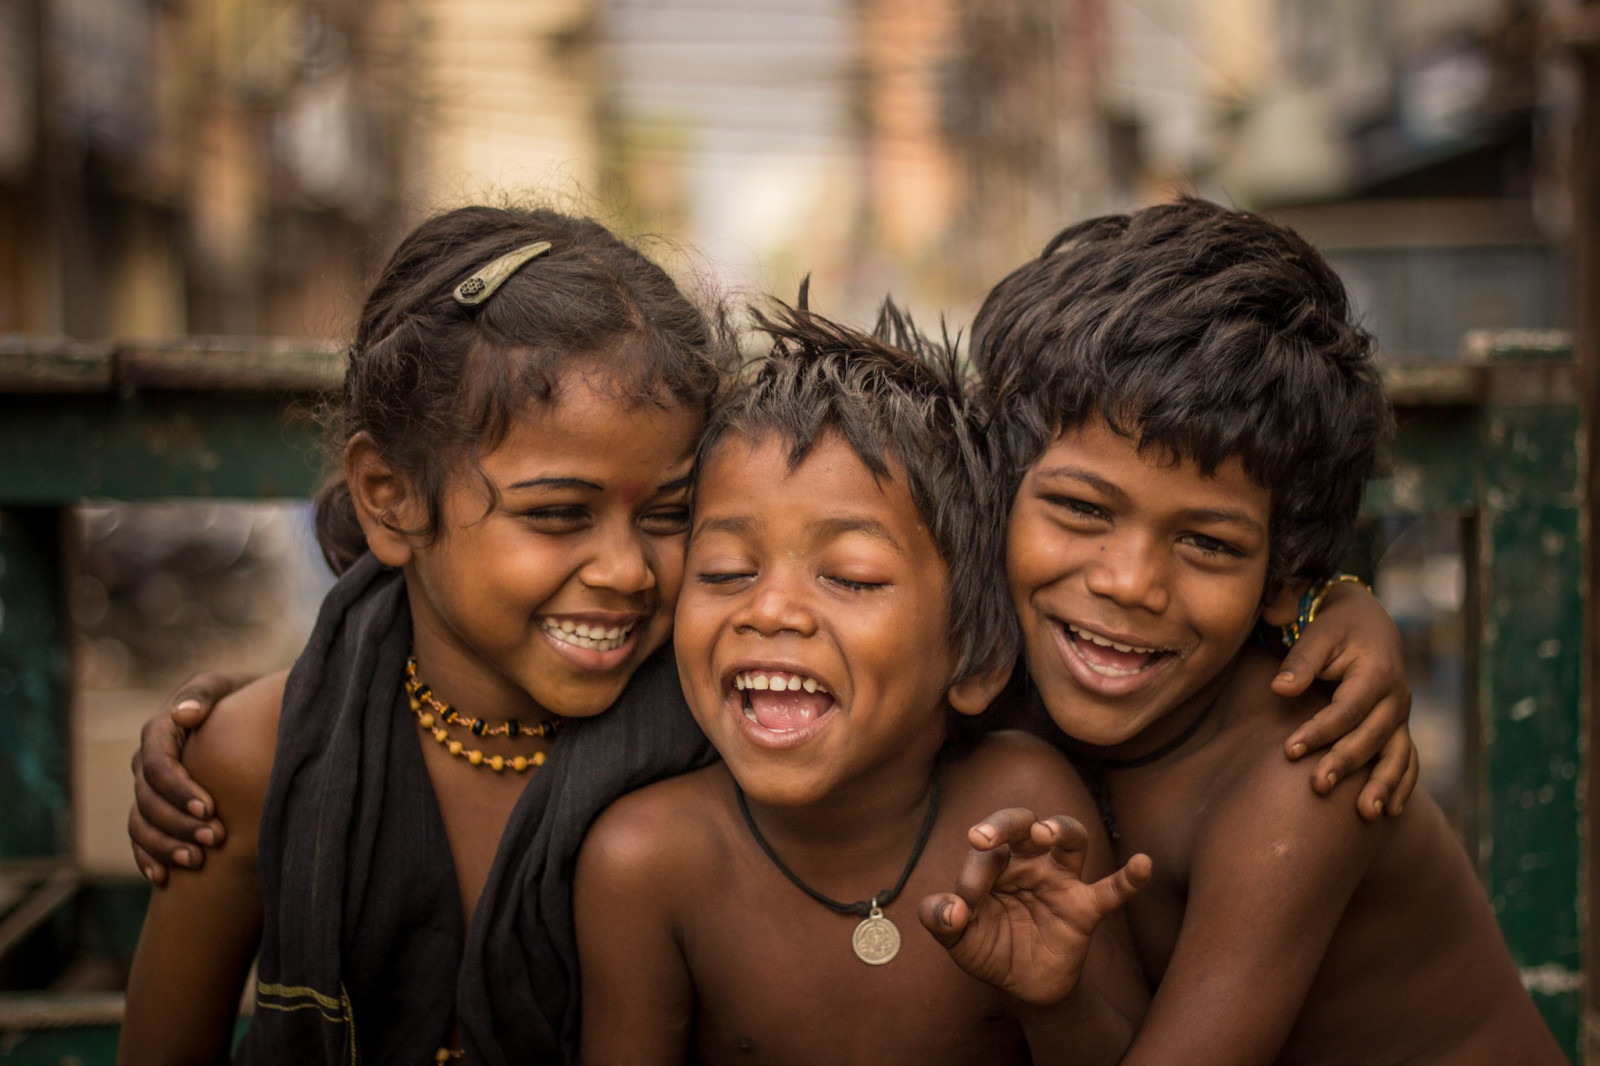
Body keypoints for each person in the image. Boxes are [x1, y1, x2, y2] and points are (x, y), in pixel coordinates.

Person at [118, 205, 732, 1065]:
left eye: (670, 514)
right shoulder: (253, 760)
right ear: (389, 495)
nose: (628, 571)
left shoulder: (724, 754)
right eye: (558, 514)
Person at [962, 197, 1565, 1063]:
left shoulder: (1307, 769)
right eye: (1080, 508)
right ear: (997, 492)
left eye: (1207, 542)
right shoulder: (984, 668)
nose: (1128, 583)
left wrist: (1339, 596)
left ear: (1283, 578)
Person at [575, 303, 1150, 1066]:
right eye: (725, 572)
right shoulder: (646, 862)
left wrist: (1058, 999)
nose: (769, 608)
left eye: (849, 577)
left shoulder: (1024, 814)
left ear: (975, 662)